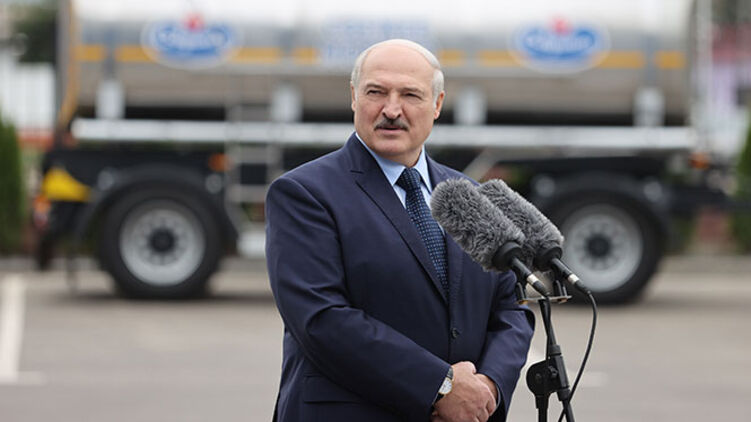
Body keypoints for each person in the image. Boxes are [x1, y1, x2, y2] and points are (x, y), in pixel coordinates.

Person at [265, 39, 534, 422]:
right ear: (354, 97)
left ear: (437, 104)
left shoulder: (471, 197)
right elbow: (322, 319)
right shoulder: (304, 193)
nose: (392, 110)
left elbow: (510, 307)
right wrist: (441, 387)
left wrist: (487, 387)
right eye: (376, 92)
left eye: (410, 94)